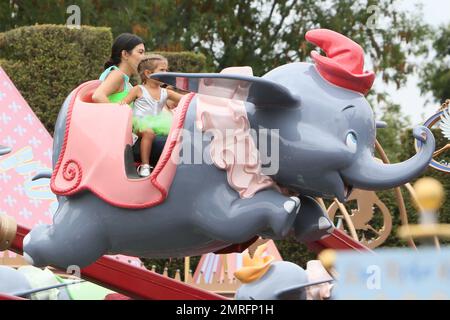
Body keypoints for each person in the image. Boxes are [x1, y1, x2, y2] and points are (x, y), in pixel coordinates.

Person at [120, 55, 183, 177]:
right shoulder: (139, 89)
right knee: (148, 133)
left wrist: (197, 95)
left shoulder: (165, 92)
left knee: (177, 133)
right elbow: (124, 103)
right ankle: (145, 165)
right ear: (148, 73)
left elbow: (185, 99)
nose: (166, 73)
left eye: (166, 70)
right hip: (140, 122)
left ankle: (168, 168)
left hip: (159, 123)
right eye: (162, 70)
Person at [92, 33, 145, 103]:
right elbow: (98, 96)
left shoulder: (125, 81)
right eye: (140, 52)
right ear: (125, 54)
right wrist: (115, 113)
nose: (144, 57)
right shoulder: (117, 75)